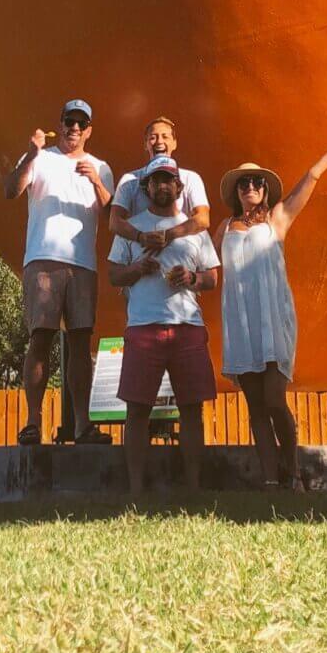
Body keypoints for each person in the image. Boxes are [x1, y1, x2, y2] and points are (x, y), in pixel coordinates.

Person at [218, 135, 327, 488]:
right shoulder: (224, 228)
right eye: (244, 183)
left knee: (274, 399)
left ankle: (293, 470)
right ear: (236, 192)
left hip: (273, 319)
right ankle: (272, 483)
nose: (251, 187)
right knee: (255, 408)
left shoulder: (278, 219)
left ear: (266, 190)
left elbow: (312, 177)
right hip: (241, 325)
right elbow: (208, 268)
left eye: (257, 182)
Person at [107, 154, 220, 494]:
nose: (162, 186)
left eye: (168, 180)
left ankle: (194, 488)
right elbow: (113, 275)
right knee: (137, 410)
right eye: (156, 181)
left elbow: (212, 278)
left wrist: (191, 277)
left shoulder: (194, 228)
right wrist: (137, 270)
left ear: (178, 186)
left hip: (187, 325)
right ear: (148, 187)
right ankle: (136, 491)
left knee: (192, 409)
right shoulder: (132, 227)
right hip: (143, 326)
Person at [4, 99, 113, 446]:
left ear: (89, 130)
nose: (74, 128)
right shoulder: (41, 158)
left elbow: (112, 216)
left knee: (81, 343)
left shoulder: (101, 166)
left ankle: (82, 425)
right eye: (70, 121)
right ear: (60, 122)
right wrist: (31, 154)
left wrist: (97, 181)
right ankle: (33, 422)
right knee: (41, 338)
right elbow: (11, 191)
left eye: (82, 123)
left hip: (83, 264)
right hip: (43, 259)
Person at [108, 116, 211, 253]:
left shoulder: (191, 178)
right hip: (141, 255)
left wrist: (168, 235)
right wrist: (141, 237)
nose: (159, 141)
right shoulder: (129, 180)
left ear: (174, 143)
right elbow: (115, 222)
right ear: (145, 144)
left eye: (165, 136)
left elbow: (203, 219)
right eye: (153, 137)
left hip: (180, 255)